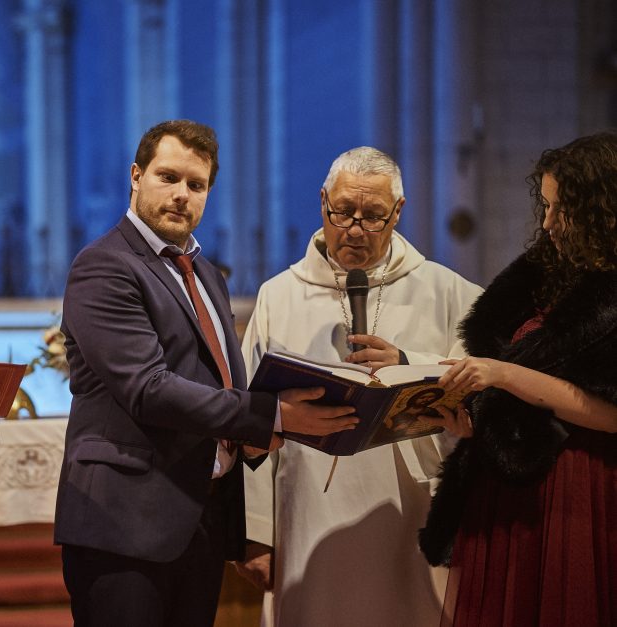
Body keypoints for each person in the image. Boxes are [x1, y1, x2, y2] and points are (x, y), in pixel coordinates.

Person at [53, 119, 359, 627]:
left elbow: (220, 380)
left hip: (198, 515)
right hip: (124, 523)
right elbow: (148, 389)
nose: (181, 195)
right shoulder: (104, 266)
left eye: (196, 185)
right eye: (167, 177)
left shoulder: (206, 273)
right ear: (136, 175)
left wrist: (252, 438)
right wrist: (271, 416)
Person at [238, 146, 482, 626]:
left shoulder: (449, 292)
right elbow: (251, 418)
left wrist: (411, 364)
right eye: (343, 211)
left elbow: (487, 386)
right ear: (322, 200)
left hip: (410, 511)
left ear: (398, 213)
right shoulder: (278, 295)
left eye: (373, 217)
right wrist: (256, 532)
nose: (354, 229)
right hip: (307, 510)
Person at [420, 132, 617, 626]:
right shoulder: (546, 271)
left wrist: (506, 376)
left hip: (578, 486)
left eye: (561, 210)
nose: (547, 223)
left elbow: (610, 413)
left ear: (602, 209)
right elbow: (505, 365)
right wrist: (472, 412)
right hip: (508, 479)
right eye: (545, 206)